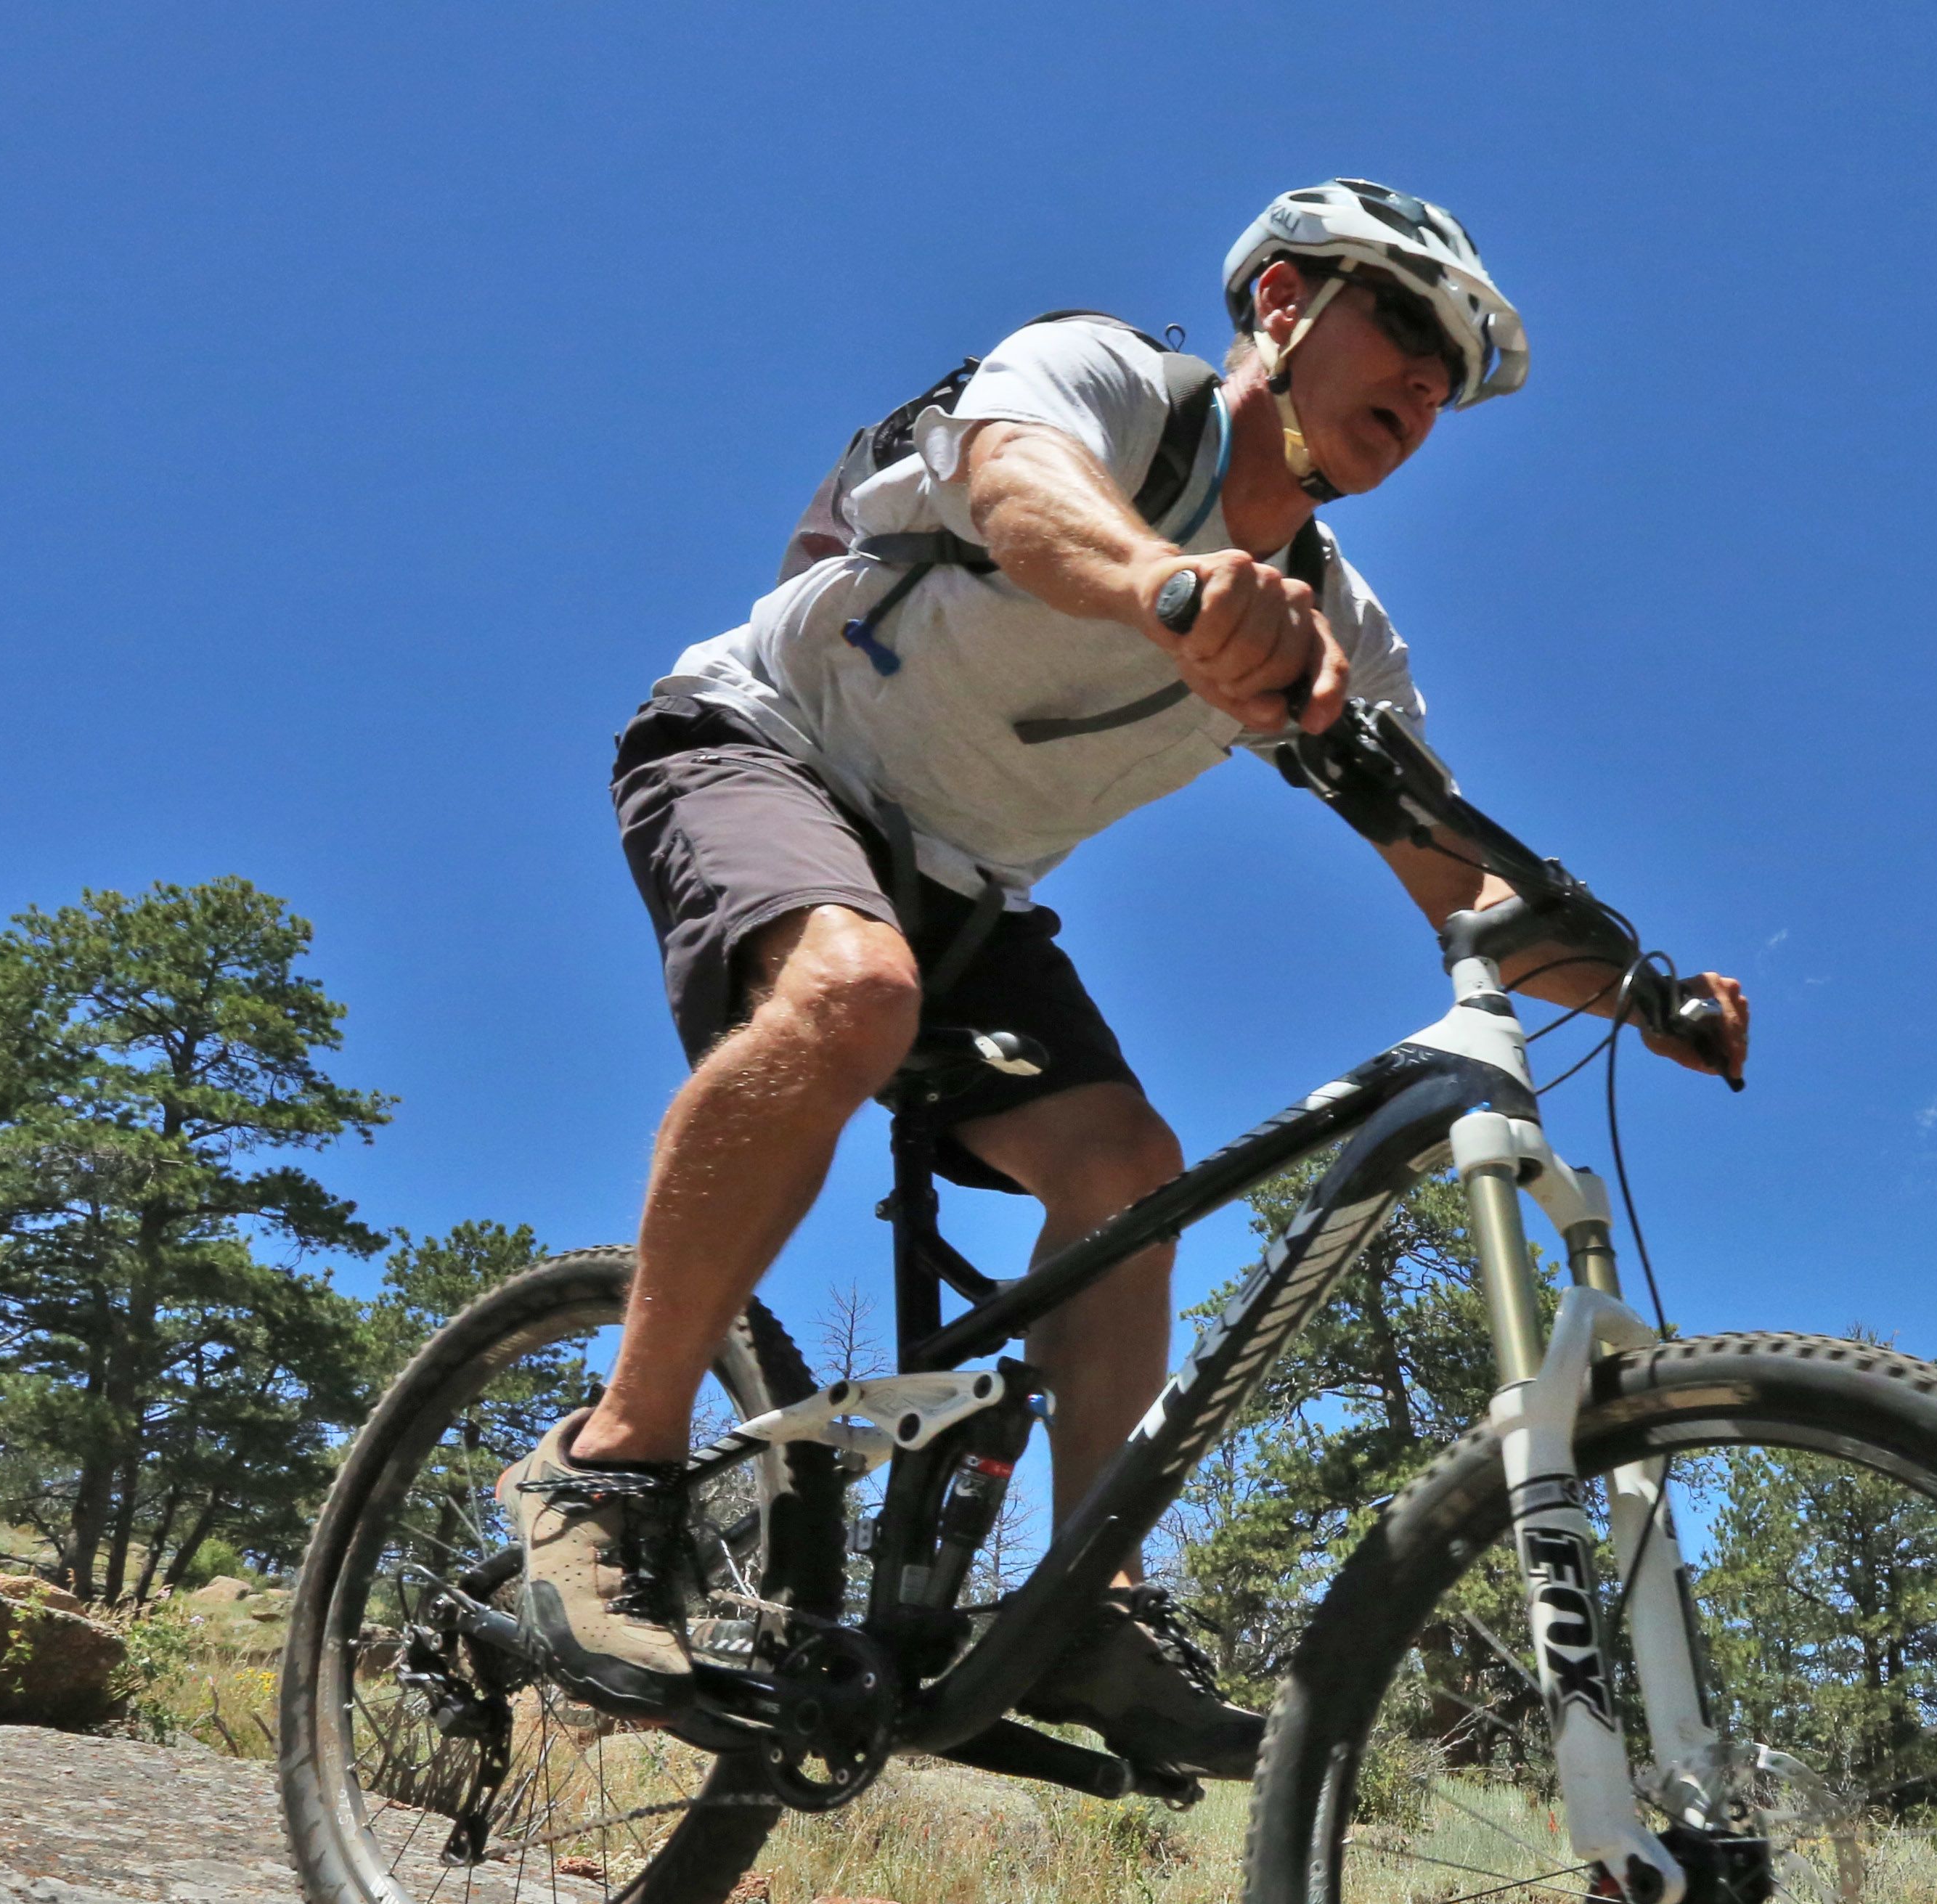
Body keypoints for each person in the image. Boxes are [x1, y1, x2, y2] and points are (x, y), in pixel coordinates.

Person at [513, 181, 1750, 1781]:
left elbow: (1465, 885)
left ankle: (1082, 1605)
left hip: (970, 898)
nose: (1430, 390)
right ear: (1285, 302)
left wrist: (1646, 999)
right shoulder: (1100, 381)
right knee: (848, 993)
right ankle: (607, 1471)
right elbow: (1025, 494)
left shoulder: (1336, 630)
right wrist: (1170, 589)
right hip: (764, 748)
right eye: (1410, 331)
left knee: (1124, 1171)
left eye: (1456, 382)